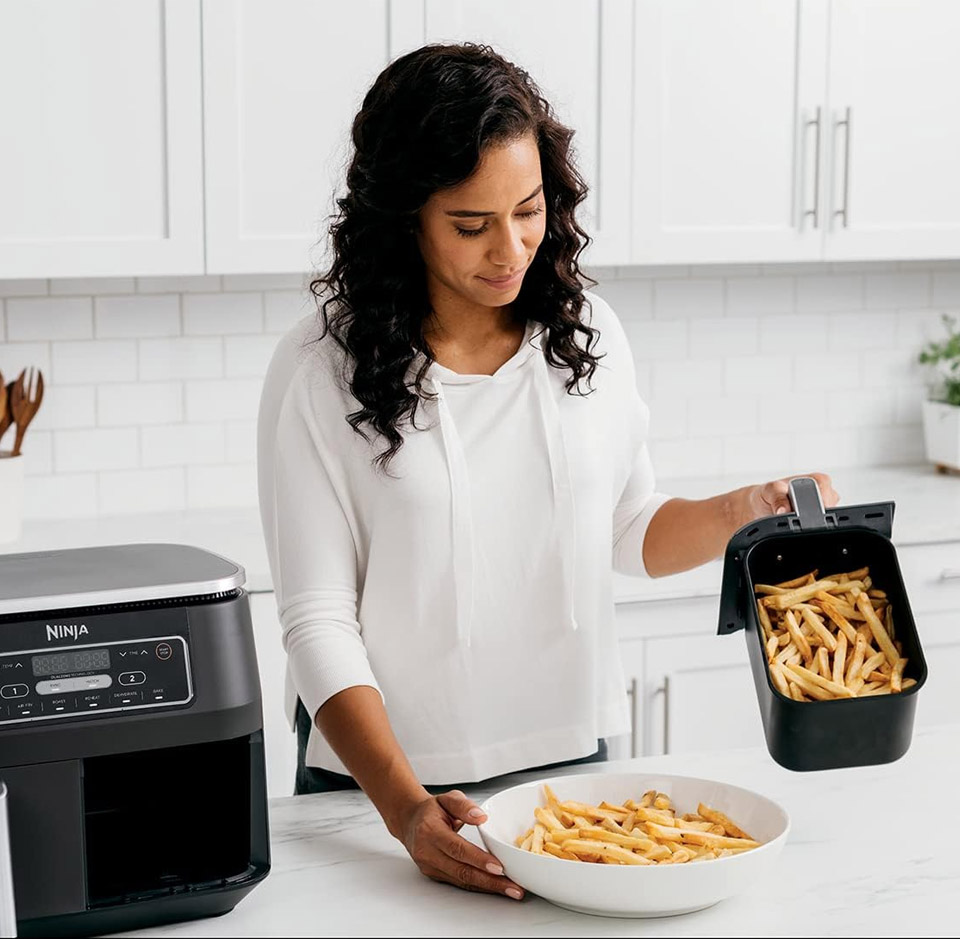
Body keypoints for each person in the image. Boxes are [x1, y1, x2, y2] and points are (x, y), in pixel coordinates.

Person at [257, 42, 838, 901]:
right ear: (403, 216)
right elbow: (315, 622)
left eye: (528, 210)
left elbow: (630, 530)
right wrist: (406, 810)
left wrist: (745, 509)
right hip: (385, 797)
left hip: (573, 780)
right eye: (470, 224)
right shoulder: (317, 369)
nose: (511, 247)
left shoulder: (586, 332)